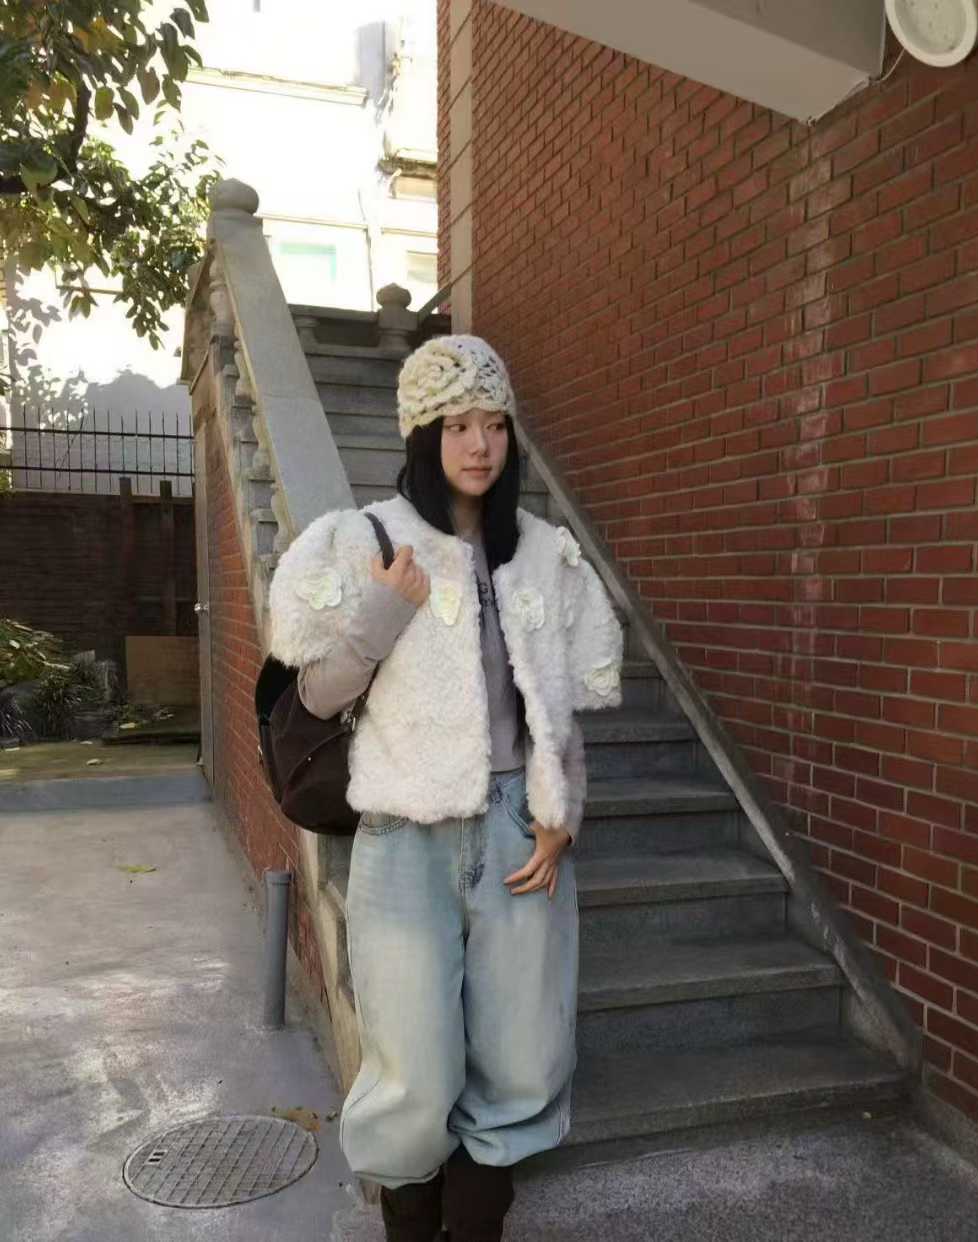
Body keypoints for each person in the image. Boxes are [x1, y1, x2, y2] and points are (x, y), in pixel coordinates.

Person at [266, 334, 623, 1241]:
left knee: (520, 1060)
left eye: (494, 424)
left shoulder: (540, 551)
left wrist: (562, 816)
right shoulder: (367, 539)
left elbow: (558, 712)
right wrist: (385, 610)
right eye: (457, 424)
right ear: (423, 434)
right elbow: (315, 696)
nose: (479, 444)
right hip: (404, 836)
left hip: (516, 835)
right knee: (413, 1073)